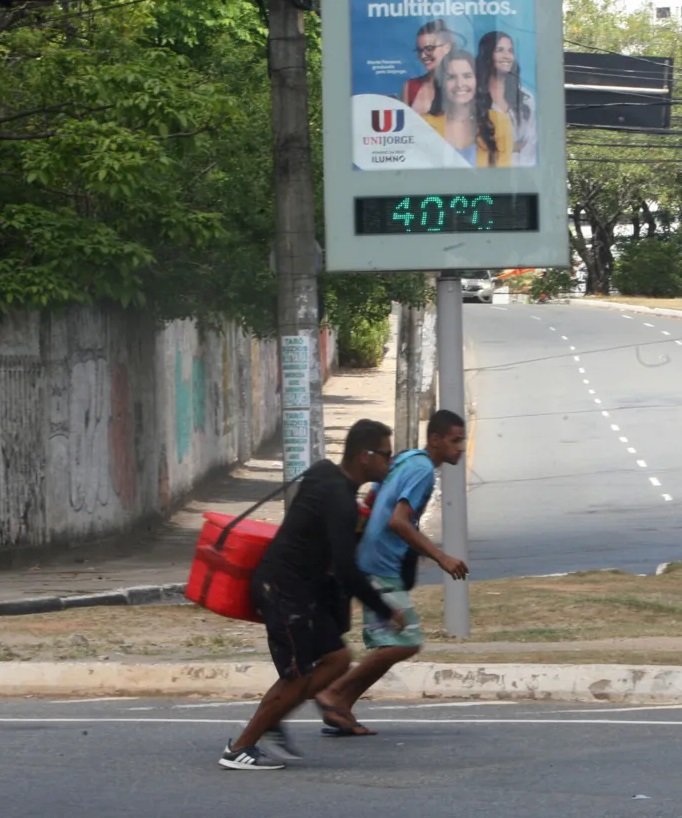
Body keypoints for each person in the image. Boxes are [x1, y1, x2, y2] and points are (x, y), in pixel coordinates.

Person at [218, 419, 405, 770]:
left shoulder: (325, 475)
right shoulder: (340, 499)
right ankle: (240, 747)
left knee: (337, 659)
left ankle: (274, 718)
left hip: (299, 590)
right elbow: (347, 570)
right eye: (385, 454)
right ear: (365, 456)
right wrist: (385, 609)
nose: (389, 462)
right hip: (284, 591)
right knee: (298, 675)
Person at [315, 410, 469, 735]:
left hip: (376, 560)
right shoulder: (423, 470)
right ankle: (334, 692)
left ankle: (340, 706)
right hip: (378, 564)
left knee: (394, 641)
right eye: (455, 441)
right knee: (406, 641)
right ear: (436, 440)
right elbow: (397, 521)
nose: (461, 447)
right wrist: (441, 557)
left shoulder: (410, 459)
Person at [422, 50, 513, 167]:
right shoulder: (424, 124)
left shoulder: (499, 122)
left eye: (467, 76)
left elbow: (504, 175)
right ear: (442, 83)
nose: (460, 84)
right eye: (451, 77)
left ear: (477, 81)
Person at [476, 31, 536, 166]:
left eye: (510, 51)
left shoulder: (526, 99)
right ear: (487, 54)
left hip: (517, 177)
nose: (507, 56)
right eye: (499, 50)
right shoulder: (473, 98)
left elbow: (530, 145)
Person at [401, 19, 459, 115]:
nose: (423, 56)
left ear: (447, 48)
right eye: (419, 50)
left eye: (429, 48)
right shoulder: (410, 86)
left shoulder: (462, 85)